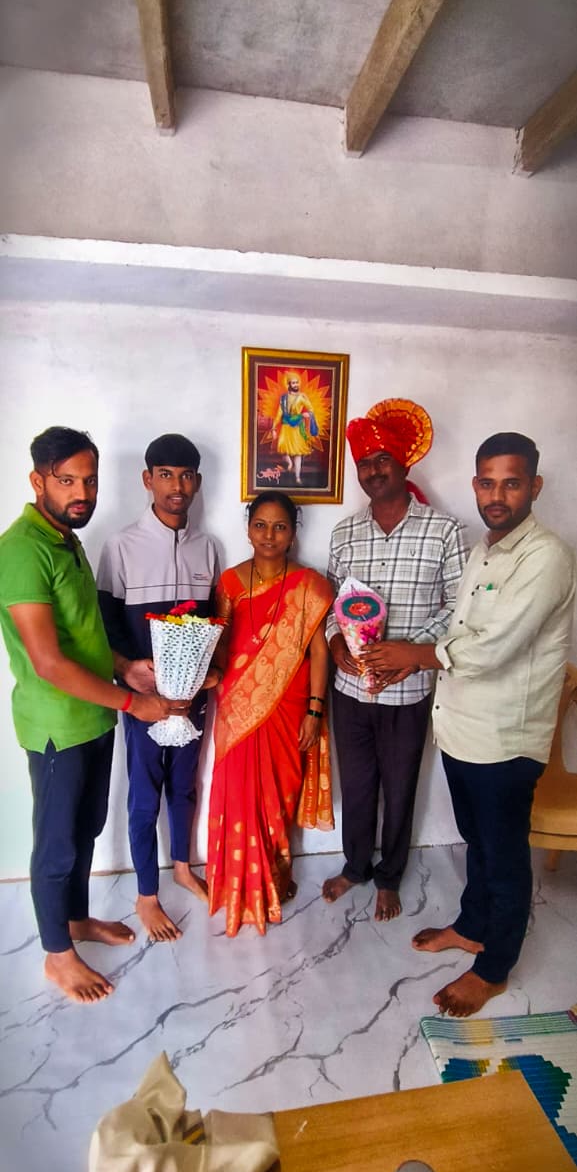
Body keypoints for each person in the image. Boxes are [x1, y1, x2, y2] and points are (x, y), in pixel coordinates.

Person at [373, 432, 576, 1016]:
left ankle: (493, 969)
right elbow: (460, 631)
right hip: (463, 728)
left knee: (504, 854)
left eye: (511, 483)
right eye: (487, 483)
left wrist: (414, 655)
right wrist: (408, 656)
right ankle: (471, 927)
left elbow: (492, 647)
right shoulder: (485, 549)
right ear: (475, 485)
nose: (497, 495)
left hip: (507, 738)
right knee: (478, 841)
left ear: (534, 486)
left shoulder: (546, 557)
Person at [0, 427, 183, 1004]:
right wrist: (135, 702)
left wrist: (125, 667)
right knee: (56, 843)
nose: (82, 493)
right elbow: (50, 662)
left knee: (86, 829)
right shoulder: (21, 549)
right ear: (38, 481)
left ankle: (76, 920)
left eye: (90, 480)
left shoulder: (66, 539)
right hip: (58, 726)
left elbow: (85, 635)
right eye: (67, 481)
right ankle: (57, 957)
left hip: (95, 717)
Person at [323, 398, 468, 921]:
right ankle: (356, 866)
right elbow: (333, 606)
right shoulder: (344, 533)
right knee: (358, 784)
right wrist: (337, 644)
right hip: (350, 691)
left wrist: (409, 654)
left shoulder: (445, 530)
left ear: (404, 463)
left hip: (408, 690)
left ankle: (390, 877)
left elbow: (460, 606)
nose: (373, 470)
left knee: (401, 786)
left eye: (382, 458)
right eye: (364, 462)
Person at [97, 434, 220, 942]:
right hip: (144, 699)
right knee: (145, 793)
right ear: (147, 479)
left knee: (185, 785)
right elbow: (105, 625)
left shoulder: (207, 548)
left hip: (192, 699)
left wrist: (209, 676)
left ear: (198, 482)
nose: (177, 486)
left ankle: (183, 868)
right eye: (166, 475)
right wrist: (127, 670)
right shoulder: (120, 545)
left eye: (186, 475)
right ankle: (146, 893)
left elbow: (214, 622)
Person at [206, 492, 334, 936]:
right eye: (260, 524)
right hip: (237, 706)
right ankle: (240, 885)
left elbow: (320, 652)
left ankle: (273, 881)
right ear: (248, 529)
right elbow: (220, 646)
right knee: (238, 792)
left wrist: (315, 710)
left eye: (280, 526)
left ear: (293, 533)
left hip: (289, 705)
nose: (269, 535)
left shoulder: (311, 586)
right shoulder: (230, 583)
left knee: (278, 797)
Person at [270, 373, 319, 485]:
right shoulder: (284, 398)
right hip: (286, 427)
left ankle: (297, 477)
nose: (296, 385)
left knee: (298, 454)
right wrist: (273, 428)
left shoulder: (301, 397)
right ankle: (290, 464)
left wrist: (306, 414)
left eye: (297, 382)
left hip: (297, 427)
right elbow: (279, 414)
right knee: (283, 449)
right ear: (289, 384)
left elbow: (311, 409)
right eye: (293, 383)